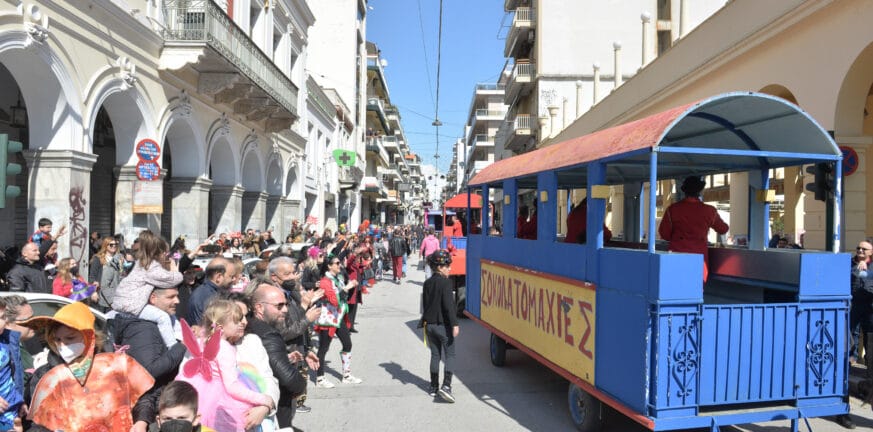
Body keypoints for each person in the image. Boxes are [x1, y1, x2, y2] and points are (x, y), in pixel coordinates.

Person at [22, 301, 154, 431]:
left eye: (70, 338)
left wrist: (141, 422)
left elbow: (143, 397)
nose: (62, 346)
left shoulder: (118, 366)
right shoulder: (47, 377)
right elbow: (36, 423)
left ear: (89, 336)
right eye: (57, 340)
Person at [177, 299, 274, 431]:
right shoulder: (224, 348)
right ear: (220, 328)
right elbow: (231, 386)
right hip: (218, 403)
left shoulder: (199, 341)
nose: (241, 324)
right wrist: (262, 398)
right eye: (236, 322)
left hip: (195, 398)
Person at [112, 284, 188, 432]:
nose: (178, 301)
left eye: (177, 296)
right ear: (153, 298)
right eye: (171, 297)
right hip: (152, 411)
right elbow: (149, 371)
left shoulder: (164, 321)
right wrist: (181, 347)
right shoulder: (143, 328)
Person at [248, 284, 310, 429]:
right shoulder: (269, 334)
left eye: (286, 304)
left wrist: (285, 358)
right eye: (279, 306)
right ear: (259, 308)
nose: (285, 310)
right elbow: (288, 379)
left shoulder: (251, 324)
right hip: (275, 408)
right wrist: (301, 385)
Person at [112, 231, 183, 348]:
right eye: (165, 252)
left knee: (170, 316)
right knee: (163, 317)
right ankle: (173, 347)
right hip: (130, 307)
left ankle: (181, 337)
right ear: (159, 253)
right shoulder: (151, 267)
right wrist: (174, 268)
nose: (167, 255)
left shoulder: (143, 263)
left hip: (126, 304)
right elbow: (175, 279)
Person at [223, 292, 280, 429]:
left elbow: (268, 378)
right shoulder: (203, 347)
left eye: (246, 316)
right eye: (238, 317)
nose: (244, 322)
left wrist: (265, 406)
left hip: (260, 422)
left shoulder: (252, 342)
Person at [658, 176, 729, 281]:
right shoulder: (710, 211)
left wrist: (677, 238)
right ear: (699, 192)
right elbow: (723, 229)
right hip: (699, 257)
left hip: (676, 256)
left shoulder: (672, 210)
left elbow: (664, 233)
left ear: (684, 191)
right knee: (696, 289)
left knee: (674, 286)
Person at [314, 255, 362, 388]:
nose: (339, 265)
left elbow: (343, 296)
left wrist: (350, 286)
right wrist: (347, 287)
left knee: (348, 344)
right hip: (328, 319)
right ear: (329, 266)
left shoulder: (339, 278)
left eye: (339, 263)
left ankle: (346, 375)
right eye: (336, 263)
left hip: (339, 317)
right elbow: (334, 300)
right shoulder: (325, 281)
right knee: (323, 348)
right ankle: (320, 377)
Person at [419, 249, 459, 403]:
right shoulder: (446, 283)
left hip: (429, 325)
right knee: (450, 355)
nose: (450, 268)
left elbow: (425, 304)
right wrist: (454, 324)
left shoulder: (427, 282)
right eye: (448, 266)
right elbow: (449, 306)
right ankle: (446, 386)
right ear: (440, 267)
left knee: (435, 355)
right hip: (443, 326)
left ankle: (433, 387)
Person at [187, 256, 238, 324]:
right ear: (218, 277)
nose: (233, 279)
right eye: (231, 276)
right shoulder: (206, 297)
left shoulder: (215, 293)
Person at [0, 298, 24, 431]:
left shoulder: (7, 340)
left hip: (11, 413)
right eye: (2, 317)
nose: (6, 321)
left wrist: (19, 401)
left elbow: (13, 375)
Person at [89, 236, 123, 309]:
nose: (114, 246)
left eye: (115, 245)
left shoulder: (119, 259)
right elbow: (92, 277)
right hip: (100, 294)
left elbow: (121, 275)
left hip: (115, 293)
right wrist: (94, 292)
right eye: (111, 245)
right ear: (105, 246)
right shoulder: (98, 259)